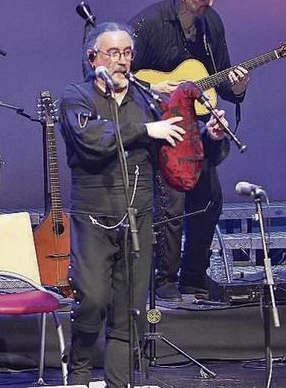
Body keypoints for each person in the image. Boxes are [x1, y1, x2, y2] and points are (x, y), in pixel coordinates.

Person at [60, 22, 229, 387]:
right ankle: (77, 375)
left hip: (139, 217)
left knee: (130, 309)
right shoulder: (76, 97)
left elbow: (179, 154)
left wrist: (208, 138)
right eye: (113, 54)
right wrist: (144, 130)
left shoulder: (147, 101)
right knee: (92, 300)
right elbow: (91, 140)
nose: (122, 61)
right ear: (93, 59)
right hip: (93, 216)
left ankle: (119, 383)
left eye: (127, 54)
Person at [129, 0, 249, 299]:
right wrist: (156, 89)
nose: (209, 5)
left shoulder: (212, 24)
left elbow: (220, 82)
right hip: (160, 125)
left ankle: (194, 275)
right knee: (170, 205)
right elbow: (118, 75)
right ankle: (164, 279)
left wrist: (236, 88)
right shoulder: (149, 23)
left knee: (210, 200)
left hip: (196, 129)